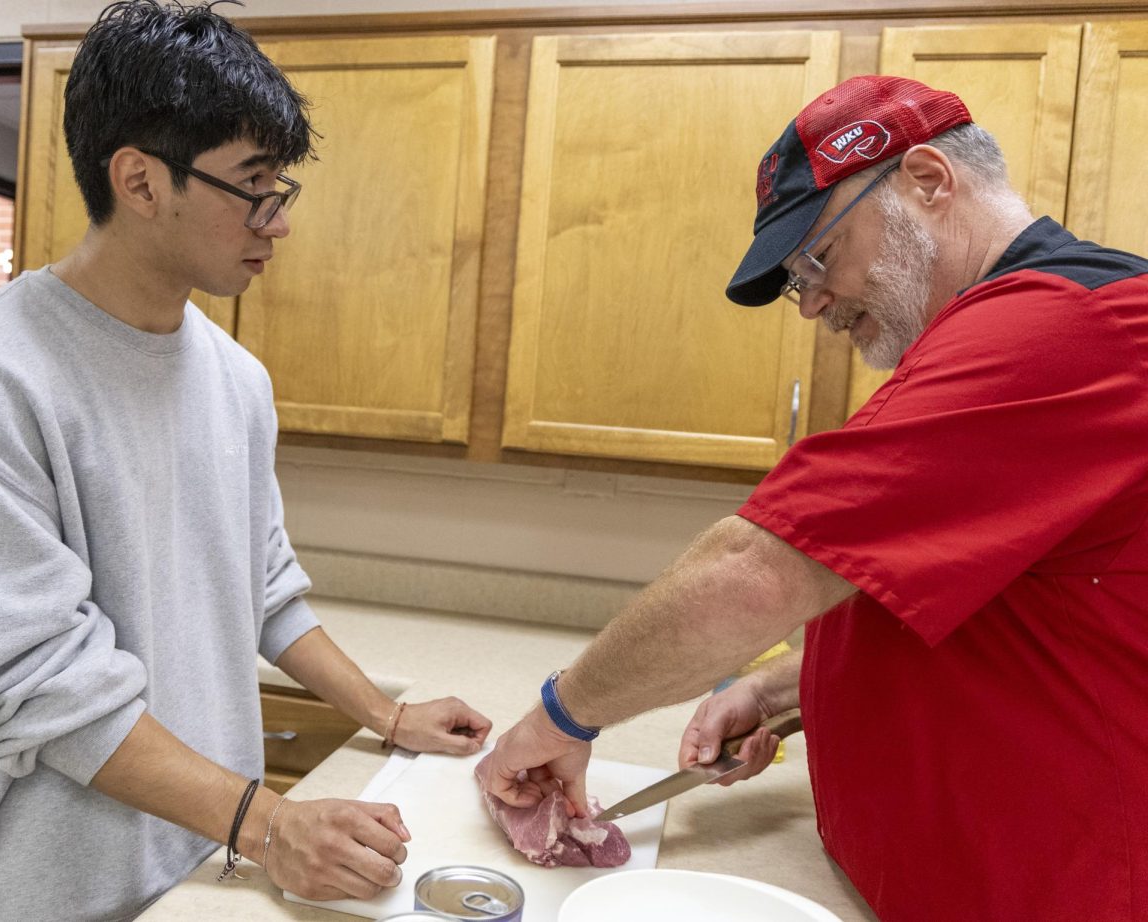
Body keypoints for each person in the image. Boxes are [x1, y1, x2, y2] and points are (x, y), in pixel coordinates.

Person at [478, 74, 1148, 921]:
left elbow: (755, 573)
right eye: (802, 279)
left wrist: (558, 720)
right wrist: (787, 688)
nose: (814, 304)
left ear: (930, 181)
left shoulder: (1060, 333)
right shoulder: (1010, 333)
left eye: (820, 259)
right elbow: (1002, 609)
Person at [0, 3, 492, 920]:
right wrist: (273, 823)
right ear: (140, 180)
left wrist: (386, 717)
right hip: (55, 888)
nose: (276, 220)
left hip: (209, 863)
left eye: (282, 188)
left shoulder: (236, 379)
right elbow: (32, 682)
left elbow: (264, 588)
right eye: (253, 185)